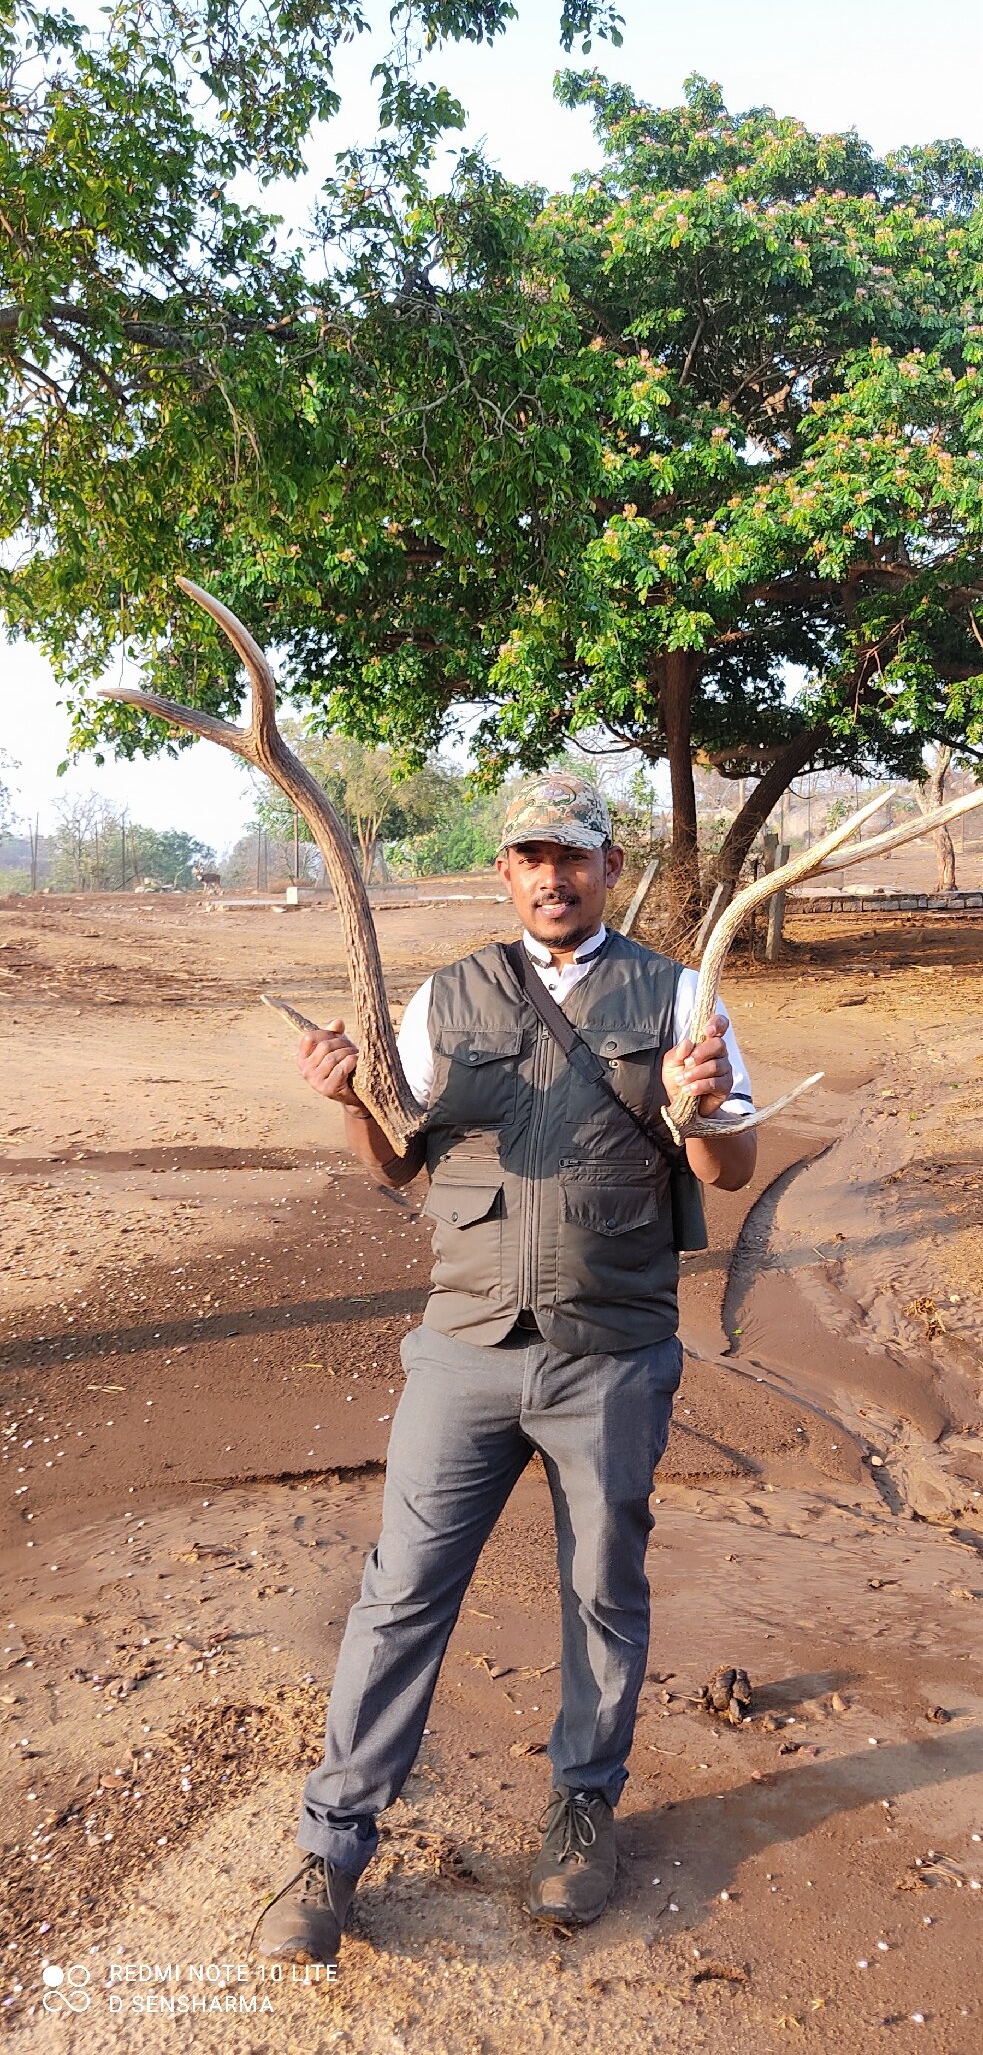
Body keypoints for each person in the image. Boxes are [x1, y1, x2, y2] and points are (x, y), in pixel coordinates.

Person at [255, 773, 756, 1963]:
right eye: (530, 856)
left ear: (607, 869)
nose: (551, 876)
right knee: (400, 1596)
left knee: (601, 1594)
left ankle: (581, 1811)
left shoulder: (681, 993)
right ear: (504, 871)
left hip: (613, 1357)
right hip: (464, 1353)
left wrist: (702, 1108)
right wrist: (344, 1101)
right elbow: (393, 1160)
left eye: (573, 856)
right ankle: (330, 1848)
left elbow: (730, 1171)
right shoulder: (448, 996)